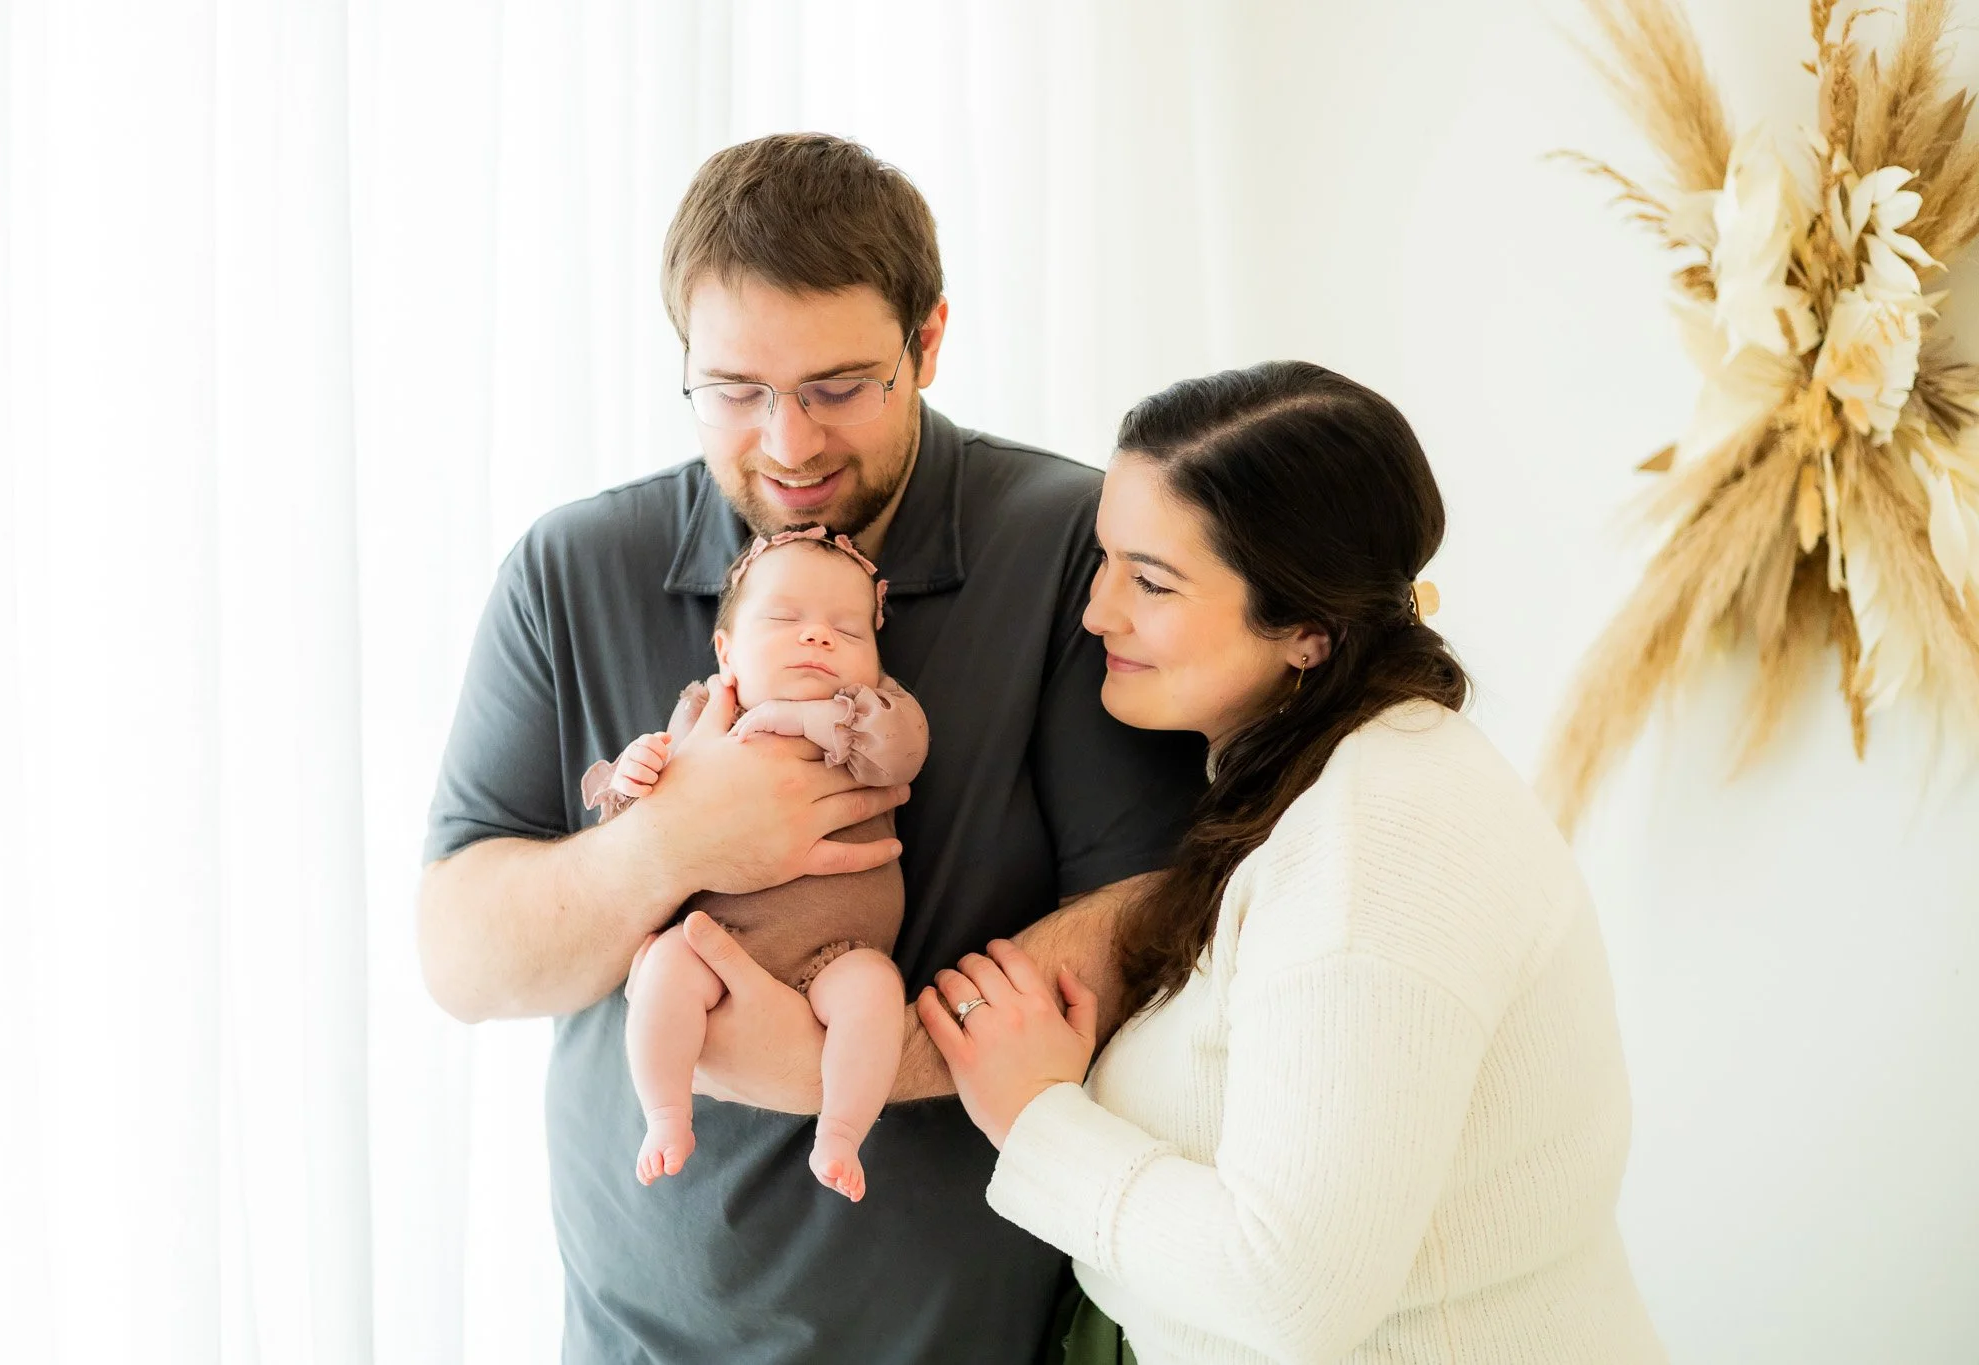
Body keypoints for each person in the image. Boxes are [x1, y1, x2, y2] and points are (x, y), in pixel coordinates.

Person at [417, 132, 1204, 1364]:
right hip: (628, 1339)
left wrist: (847, 1064)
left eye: (839, 387)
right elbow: (464, 961)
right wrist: (677, 840)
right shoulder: (572, 568)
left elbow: (1150, 924)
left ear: (927, 342)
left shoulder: (1069, 549)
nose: (786, 444)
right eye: (734, 391)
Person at [923, 361, 1668, 1364]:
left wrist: (1035, 1117)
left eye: (1151, 581)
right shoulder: (1322, 784)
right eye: (1105, 559)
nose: (1097, 611)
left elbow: (1292, 1292)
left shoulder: (1374, 841)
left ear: (1308, 631)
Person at [589, 526, 928, 1201]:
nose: (818, 637)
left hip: (839, 952)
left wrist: (807, 722)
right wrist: (633, 777)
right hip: (718, 938)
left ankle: (841, 1130)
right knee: (665, 969)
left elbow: (904, 748)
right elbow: (639, 833)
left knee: (875, 993)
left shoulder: (869, 713)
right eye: (783, 619)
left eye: (847, 631)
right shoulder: (703, 714)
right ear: (726, 650)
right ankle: (665, 1113)